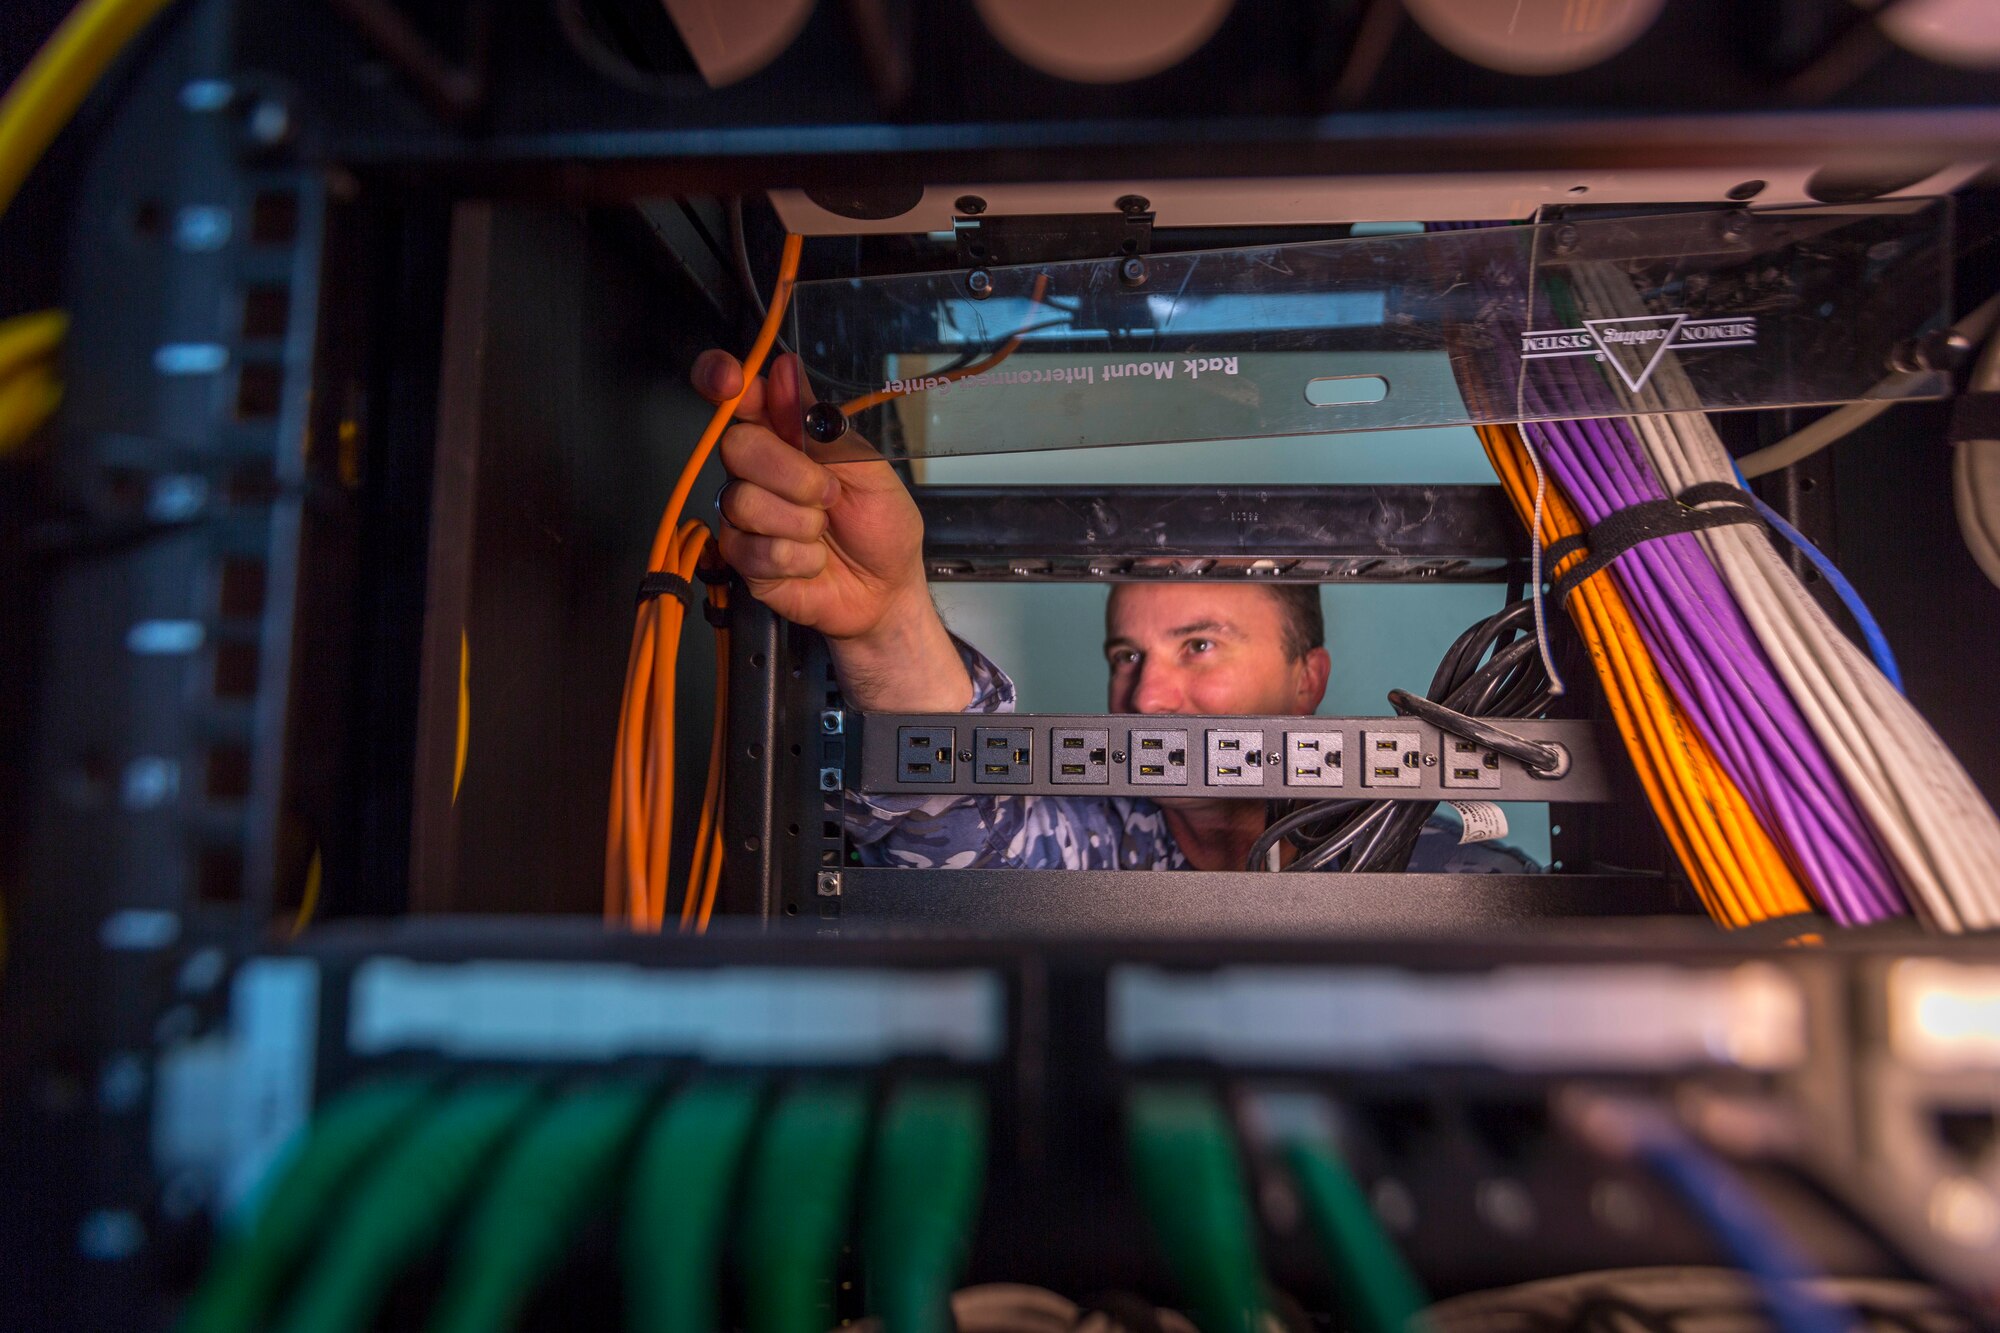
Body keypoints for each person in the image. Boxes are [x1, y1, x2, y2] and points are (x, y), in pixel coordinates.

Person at [693, 350, 1535, 874]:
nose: (1147, 699)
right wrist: (887, 620)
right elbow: (954, 824)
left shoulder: (1441, 875)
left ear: (1306, 678)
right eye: (1125, 654)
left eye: (1198, 645)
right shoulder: (1101, 844)